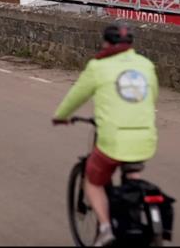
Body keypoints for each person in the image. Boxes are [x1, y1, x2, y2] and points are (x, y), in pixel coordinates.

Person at [52, 20, 158, 247]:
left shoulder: (98, 67)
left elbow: (76, 95)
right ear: (131, 43)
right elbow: (153, 96)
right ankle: (137, 210)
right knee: (132, 173)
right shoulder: (146, 65)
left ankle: (106, 229)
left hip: (114, 139)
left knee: (92, 178)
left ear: (105, 42)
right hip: (144, 137)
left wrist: (61, 115)